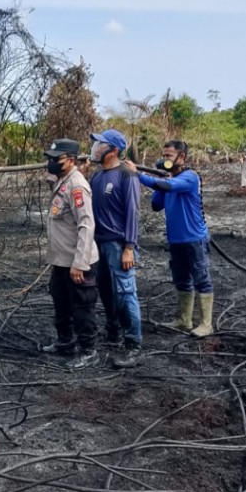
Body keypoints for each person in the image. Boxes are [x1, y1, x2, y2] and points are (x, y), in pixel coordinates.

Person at [125, 141, 214, 337]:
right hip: (176, 240)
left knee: (201, 279)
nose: (165, 159)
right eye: (163, 155)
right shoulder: (169, 181)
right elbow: (157, 205)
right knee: (181, 280)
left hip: (194, 238)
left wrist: (138, 175)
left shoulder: (190, 177)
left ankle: (206, 324)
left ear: (181, 157)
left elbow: (168, 186)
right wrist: (160, 182)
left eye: (169, 156)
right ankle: (184, 320)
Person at [42, 138, 101, 369]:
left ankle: (88, 351)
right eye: (49, 158)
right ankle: (65, 341)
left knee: (82, 307)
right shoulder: (61, 180)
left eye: (56, 159)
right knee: (61, 302)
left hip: (77, 261)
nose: (51, 163)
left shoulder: (77, 186)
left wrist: (80, 264)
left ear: (71, 161)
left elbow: (86, 226)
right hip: (61, 260)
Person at [88, 128, 144, 368]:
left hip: (118, 243)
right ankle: (113, 332)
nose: (95, 149)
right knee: (106, 290)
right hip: (98, 243)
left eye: (100, 145)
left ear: (113, 150)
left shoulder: (126, 177)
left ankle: (134, 345)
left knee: (125, 292)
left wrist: (129, 247)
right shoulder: (97, 177)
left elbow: (133, 213)